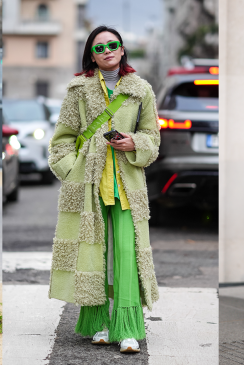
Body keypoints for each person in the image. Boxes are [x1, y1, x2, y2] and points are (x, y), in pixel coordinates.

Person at [47, 25, 160, 354]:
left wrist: (134, 142)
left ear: (123, 50)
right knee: (92, 252)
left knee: (127, 253)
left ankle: (127, 328)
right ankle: (96, 322)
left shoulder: (141, 90)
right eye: (100, 47)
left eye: (113, 45)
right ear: (91, 55)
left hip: (126, 184)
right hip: (88, 184)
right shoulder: (78, 89)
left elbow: (153, 138)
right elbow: (63, 138)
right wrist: (70, 170)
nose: (108, 50)